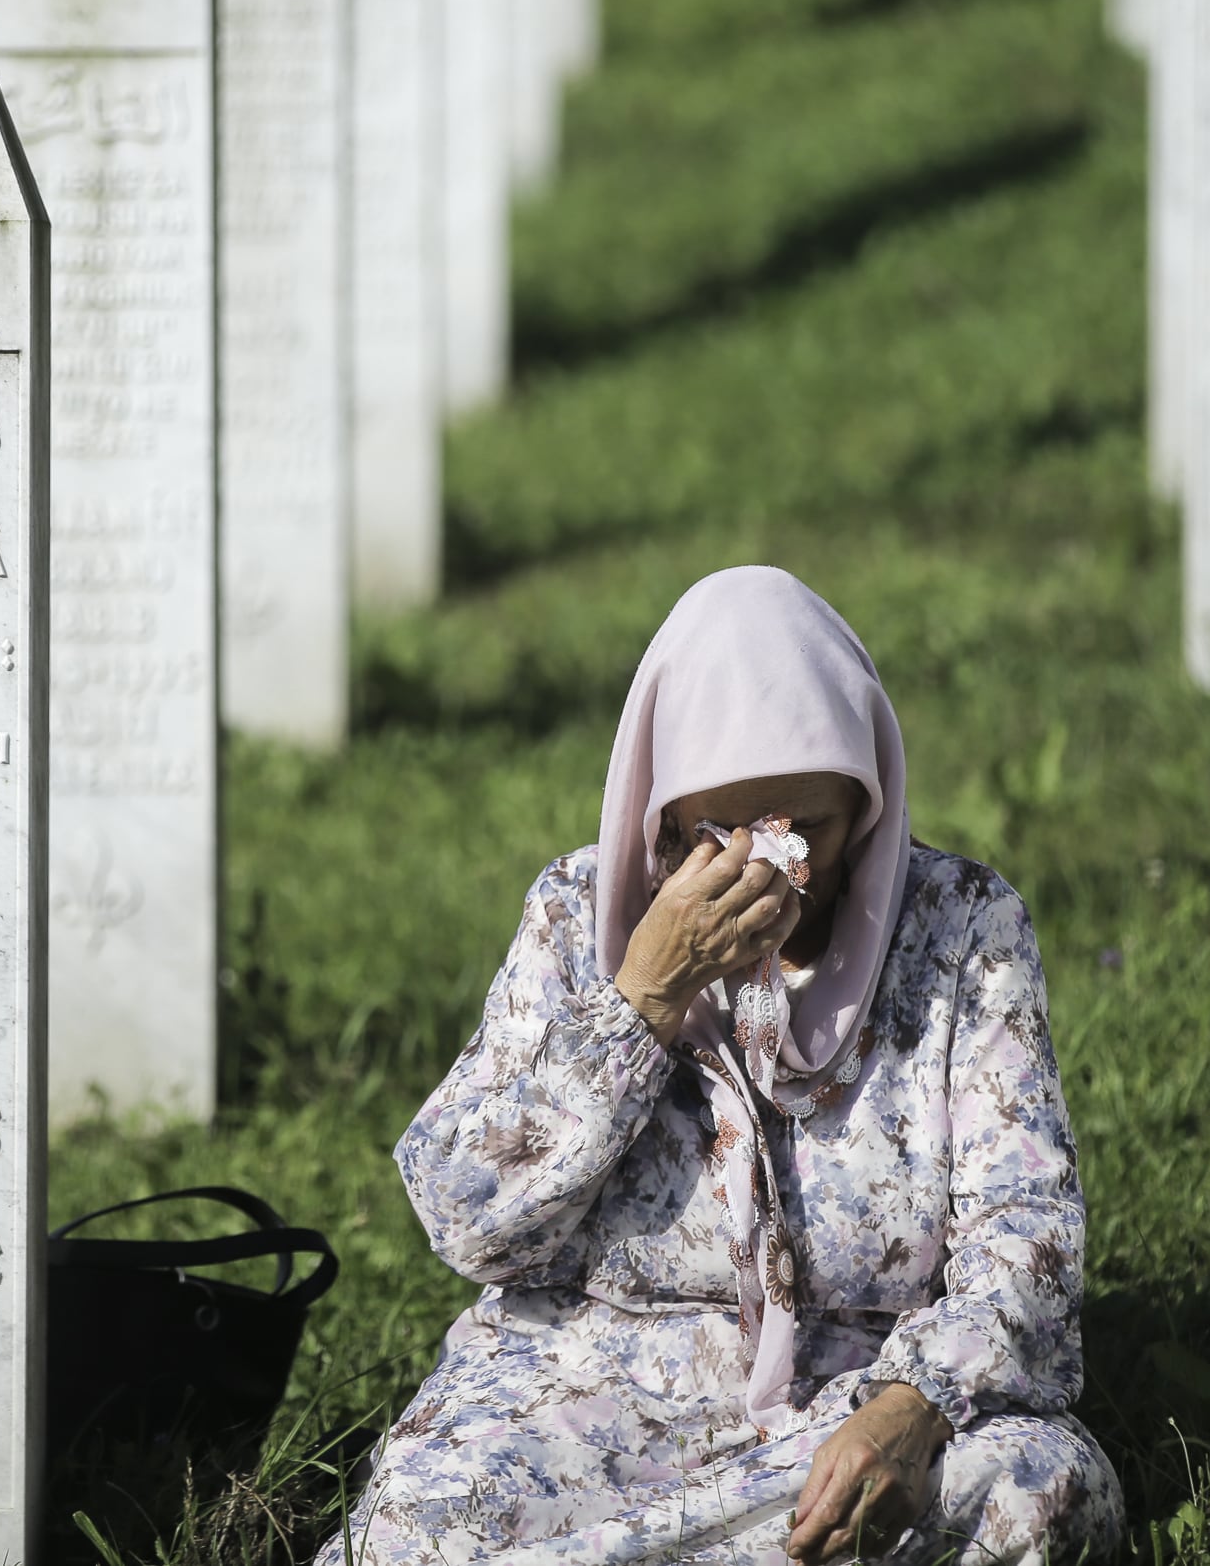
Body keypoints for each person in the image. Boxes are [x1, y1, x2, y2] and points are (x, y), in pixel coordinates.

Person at [322, 568, 1124, 1565]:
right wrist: (644, 999)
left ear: (866, 801)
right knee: (426, 1510)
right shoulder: (579, 916)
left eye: (808, 830)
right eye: (720, 833)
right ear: (660, 813)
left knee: (1032, 1491)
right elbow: (467, 1218)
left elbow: (1028, 1234)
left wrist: (912, 1402)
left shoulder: (961, 925)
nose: (768, 867)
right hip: (590, 1392)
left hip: (852, 1396)